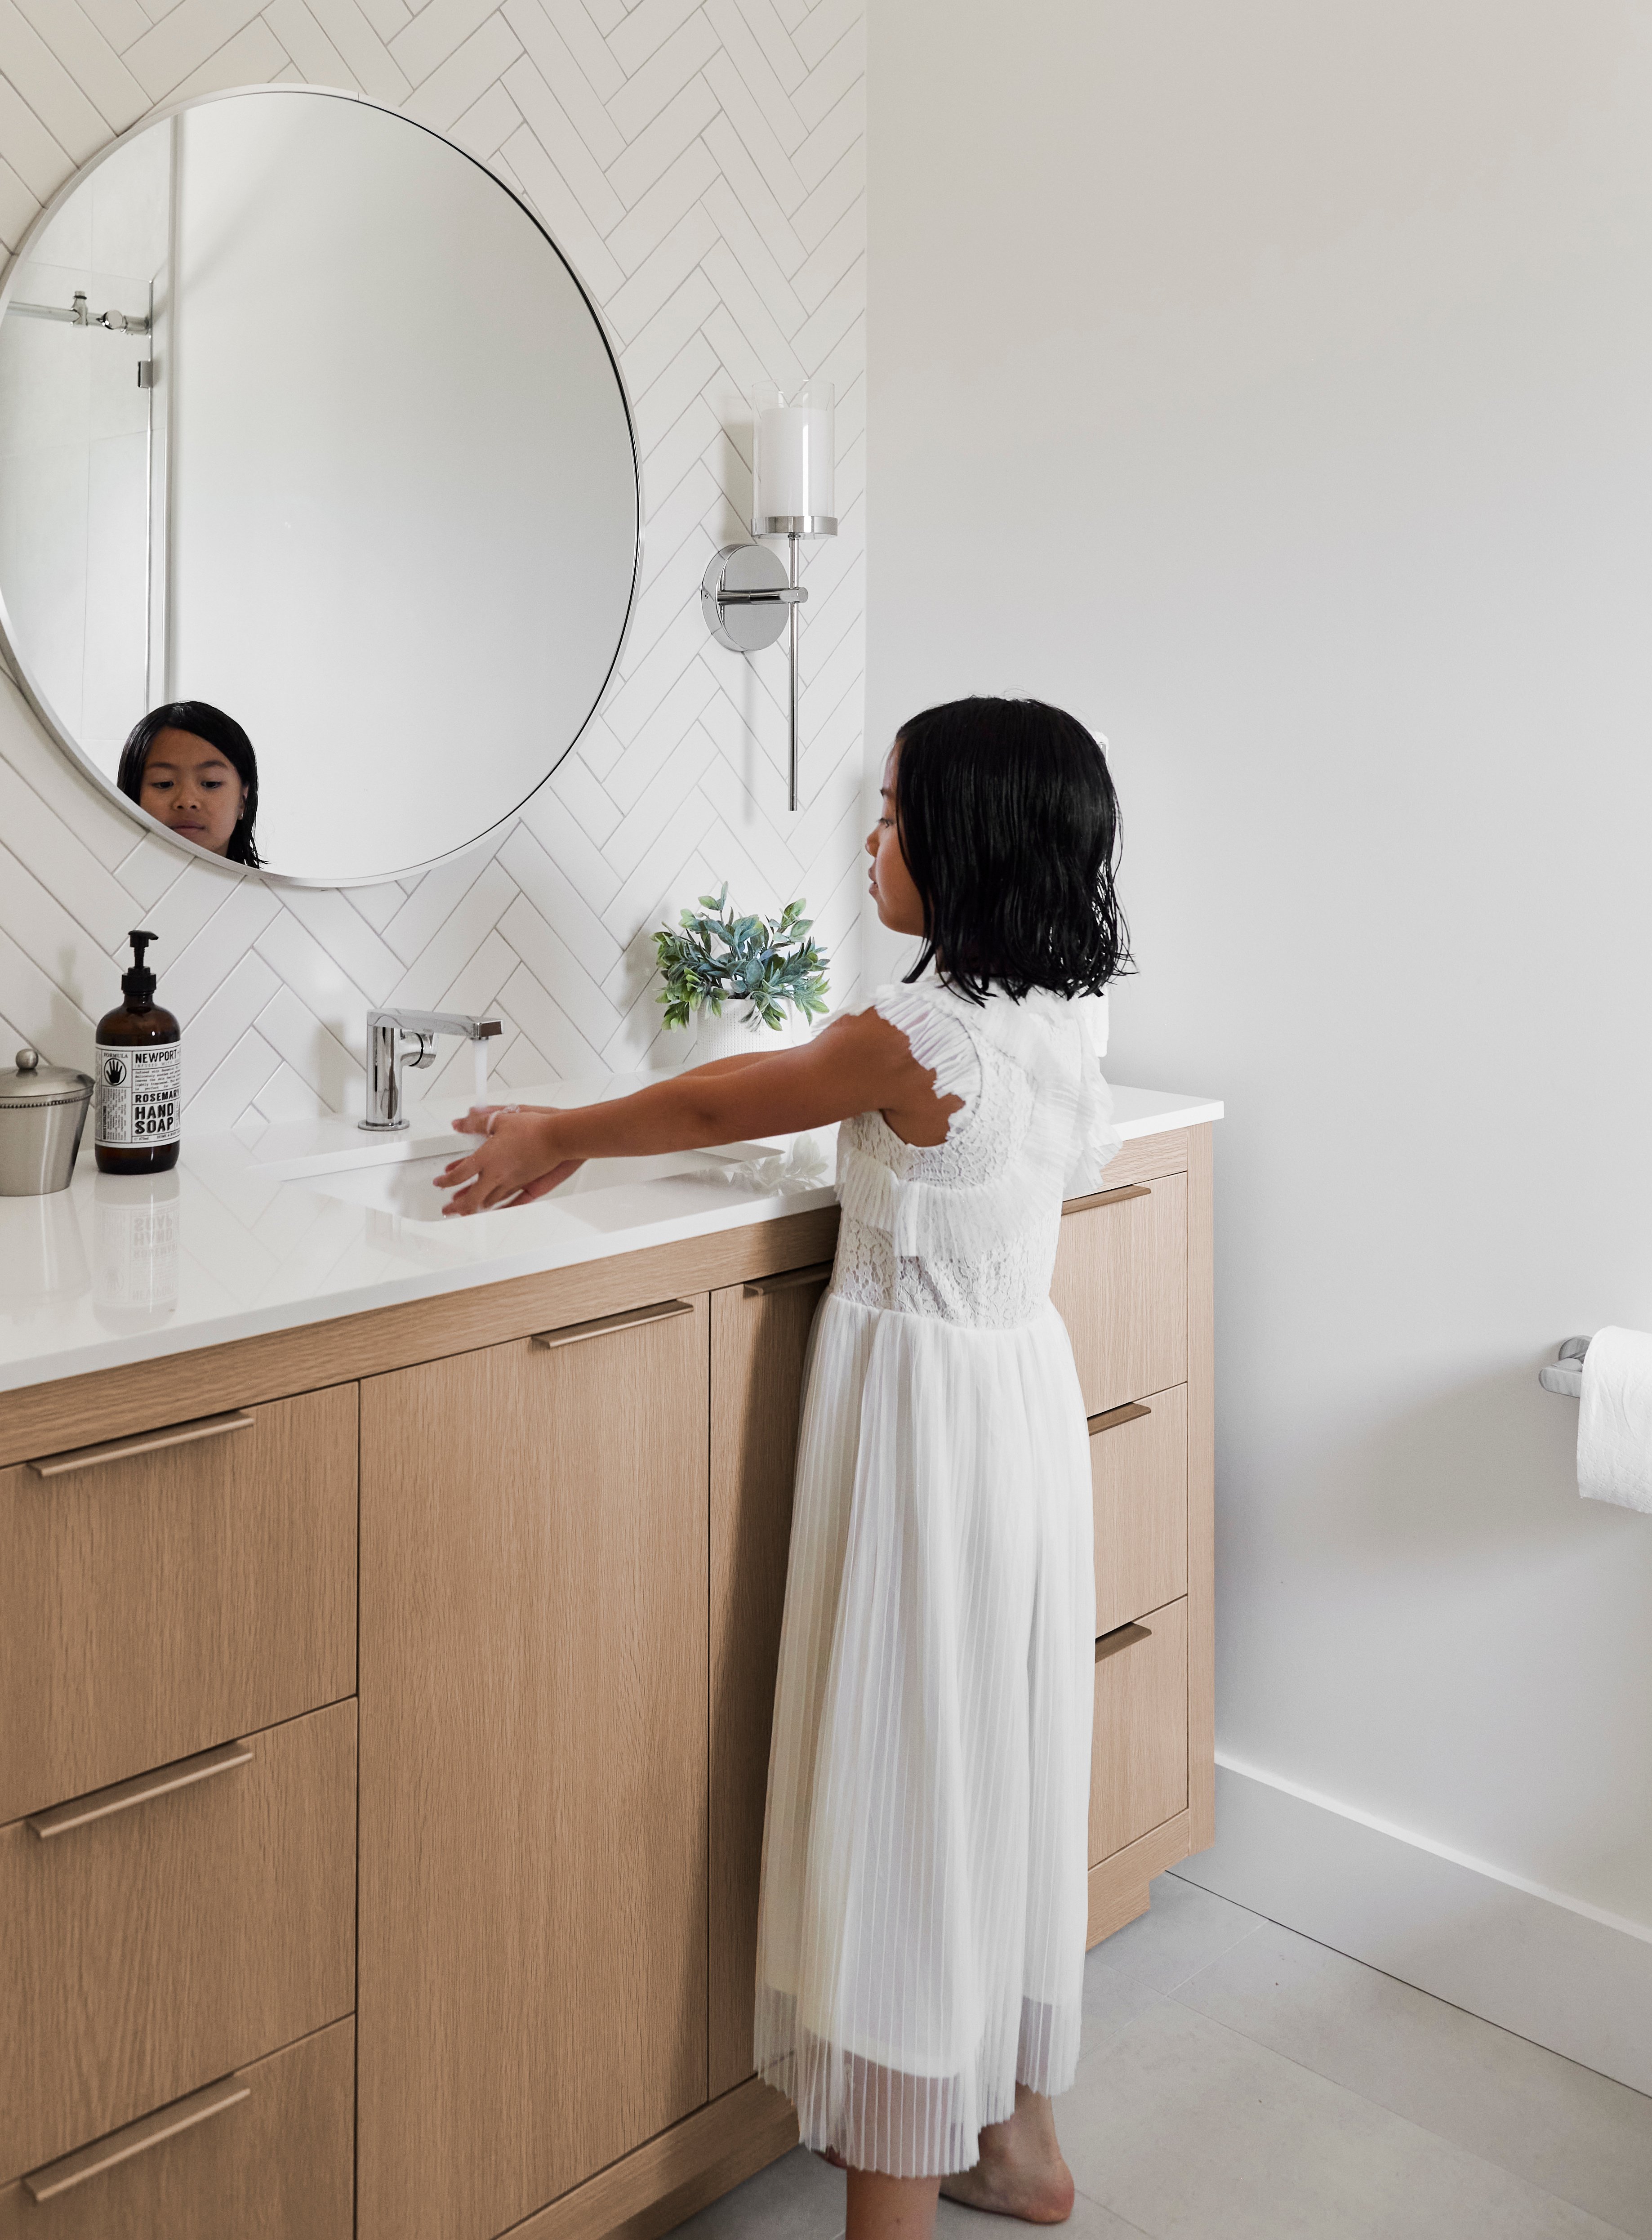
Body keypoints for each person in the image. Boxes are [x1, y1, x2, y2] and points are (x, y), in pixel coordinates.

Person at [436, 697, 1131, 2240]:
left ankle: (886, 2214)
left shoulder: (913, 1034)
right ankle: (1013, 2147)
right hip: (1015, 1406)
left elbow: (704, 1099)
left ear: (959, 841)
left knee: (898, 1779)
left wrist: (557, 1127)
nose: (867, 840)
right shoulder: (1054, 1018)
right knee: (981, 1766)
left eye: (888, 814)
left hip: (921, 1438)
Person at [116, 701, 263, 867]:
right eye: (164, 784)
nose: (187, 802)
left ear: (242, 801)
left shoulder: (268, 893)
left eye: (210, 783)